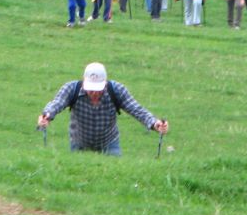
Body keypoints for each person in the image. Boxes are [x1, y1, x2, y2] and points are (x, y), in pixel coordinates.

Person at [37, 62, 168, 155]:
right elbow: (57, 102)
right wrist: (47, 115)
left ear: (105, 82)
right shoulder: (72, 88)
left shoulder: (116, 90)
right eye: (91, 88)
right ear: (84, 81)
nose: (94, 93)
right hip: (78, 144)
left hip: (109, 143)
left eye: (98, 89)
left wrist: (154, 123)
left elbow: (136, 109)